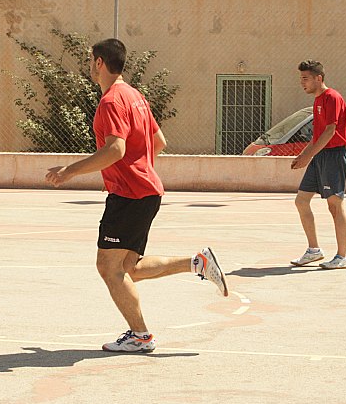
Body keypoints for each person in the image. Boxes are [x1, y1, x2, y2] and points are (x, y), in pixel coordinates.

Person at [45, 38, 229, 353]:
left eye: (91, 60)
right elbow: (158, 141)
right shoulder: (136, 97)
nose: (90, 65)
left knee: (109, 268)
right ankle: (196, 263)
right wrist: (136, 169)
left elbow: (115, 149)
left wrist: (70, 171)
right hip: (145, 192)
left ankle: (140, 336)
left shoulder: (113, 101)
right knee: (128, 268)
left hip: (130, 196)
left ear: (99, 62)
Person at [291, 60, 346, 270]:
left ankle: (342, 256)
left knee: (334, 205)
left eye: (305, 78)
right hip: (319, 157)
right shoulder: (317, 101)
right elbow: (317, 136)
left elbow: (330, 131)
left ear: (319, 78)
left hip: (334, 156)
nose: (302, 83)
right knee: (301, 201)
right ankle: (314, 250)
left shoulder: (332, 97)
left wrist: (308, 156)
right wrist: (304, 155)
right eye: (301, 79)